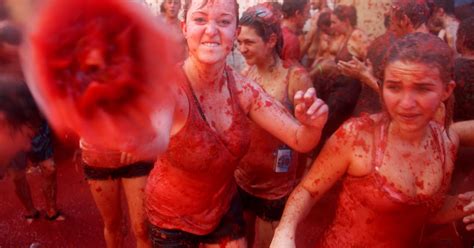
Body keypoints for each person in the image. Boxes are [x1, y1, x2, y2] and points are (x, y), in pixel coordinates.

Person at [143, 0, 328, 247]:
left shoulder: (245, 90)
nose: (211, 30)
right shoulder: (168, 89)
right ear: (184, 27)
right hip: (172, 219)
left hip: (222, 209)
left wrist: (312, 126)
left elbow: (300, 140)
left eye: (224, 21)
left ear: (236, 31)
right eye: (200, 20)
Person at [270, 33, 474, 248]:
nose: (406, 103)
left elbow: (421, 212)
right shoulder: (358, 138)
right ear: (381, 86)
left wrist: (467, 205)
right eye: (394, 87)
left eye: (422, 88)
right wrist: (284, 231)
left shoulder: (446, 144)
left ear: (446, 90)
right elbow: (308, 190)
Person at [235, 5, 312, 248]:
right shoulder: (245, 73)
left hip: (275, 188)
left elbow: (308, 136)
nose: (242, 48)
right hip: (243, 179)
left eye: (249, 42)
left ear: (271, 40)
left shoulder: (295, 77)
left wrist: (301, 184)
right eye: (239, 42)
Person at [0, 82, 64, 223]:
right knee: (17, 175)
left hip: (36, 124)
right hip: (11, 130)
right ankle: (31, 211)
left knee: (49, 167)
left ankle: (51, 210)